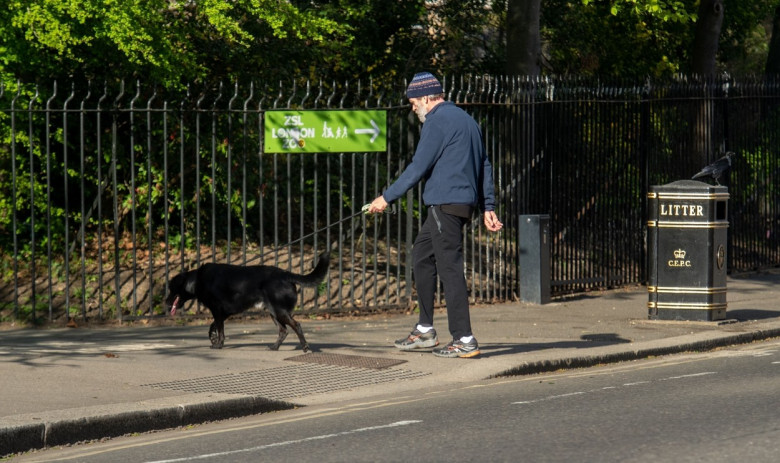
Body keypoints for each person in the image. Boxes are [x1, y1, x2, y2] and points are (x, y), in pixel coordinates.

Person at [367, 71, 503, 358]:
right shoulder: (467, 121)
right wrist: (488, 206)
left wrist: (386, 197)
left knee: (450, 269)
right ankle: (425, 329)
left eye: (414, 102)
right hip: (458, 204)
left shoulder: (437, 121)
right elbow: (485, 165)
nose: (413, 107)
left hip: (445, 204)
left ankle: (464, 339)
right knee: (421, 256)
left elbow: (418, 166)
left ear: (428, 97)